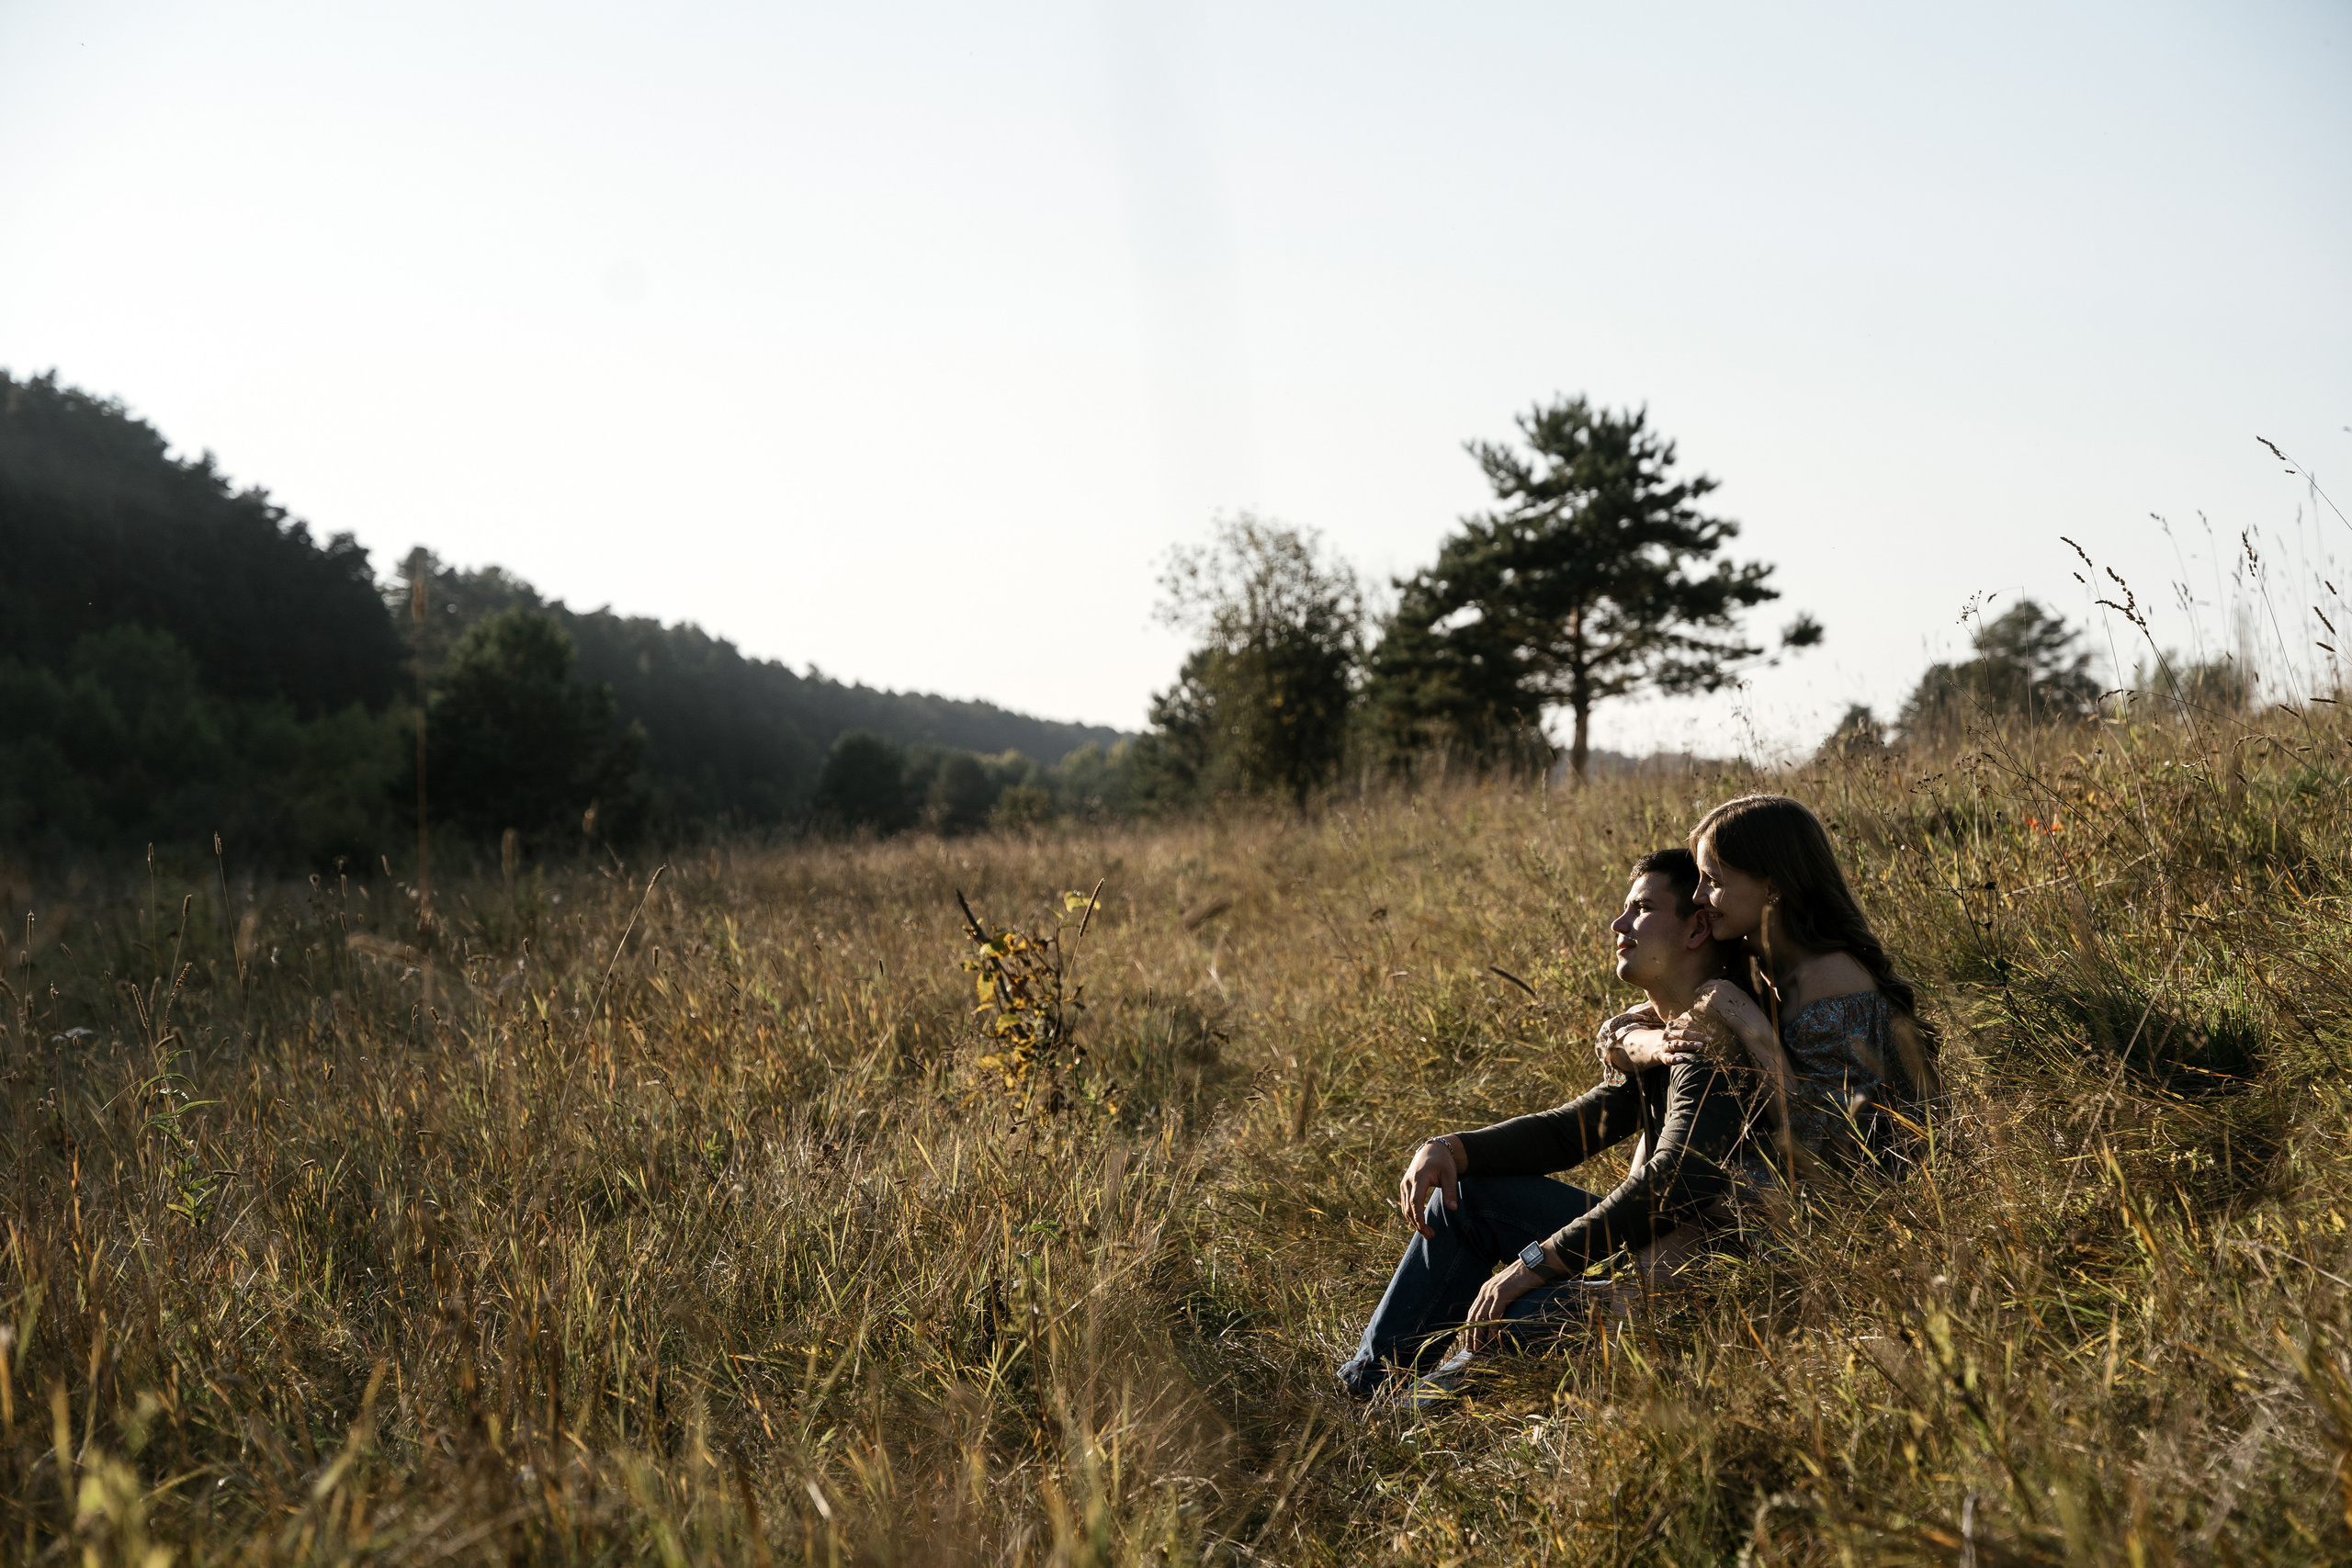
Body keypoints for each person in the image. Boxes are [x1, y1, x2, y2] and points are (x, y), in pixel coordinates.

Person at [1336, 849, 1776, 1403]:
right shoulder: (1667, 1032)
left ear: (1695, 930)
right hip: (1642, 1242)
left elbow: (1679, 1179)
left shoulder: (1709, 1039)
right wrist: (1452, 1149)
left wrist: (1533, 1264)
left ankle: (1403, 1423)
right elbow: (1573, 1132)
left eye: (1641, 909)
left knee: (1520, 1306)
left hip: (1697, 1280)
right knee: (1467, 1199)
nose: (1619, 924)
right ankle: (1362, 1391)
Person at [1611, 794, 1936, 1171]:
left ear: (1772, 886)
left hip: (1861, 1193)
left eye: (1713, 880)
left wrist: (1750, 1026)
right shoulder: (1751, 957)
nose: (1699, 897)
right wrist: (1657, 1043)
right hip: (1788, 1175)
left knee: (1693, 1188)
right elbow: (1619, 1030)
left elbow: (1829, 1143)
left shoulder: (1832, 977)